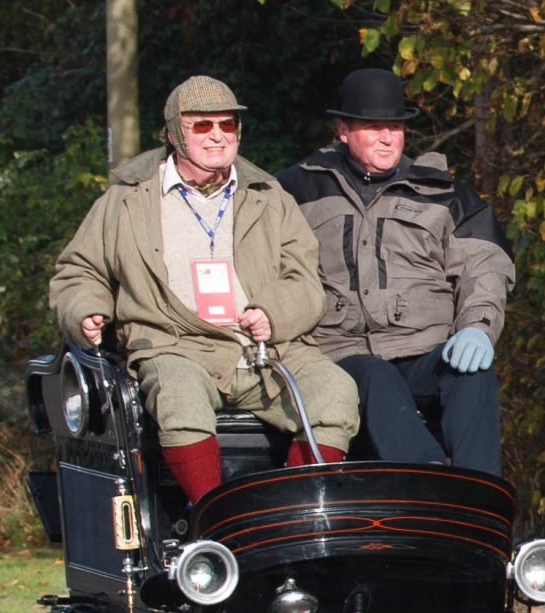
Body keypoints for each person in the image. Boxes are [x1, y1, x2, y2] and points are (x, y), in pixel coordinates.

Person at [49, 74, 360, 505]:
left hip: (265, 352)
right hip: (175, 344)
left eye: (227, 125)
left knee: (337, 392)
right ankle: (214, 520)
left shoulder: (269, 196)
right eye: (202, 125)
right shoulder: (126, 200)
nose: (218, 135)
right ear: (176, 132)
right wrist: (86, 308)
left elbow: (306, 279)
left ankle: (289, 519)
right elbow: (78, 270)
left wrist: (273, 312)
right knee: (179, 396)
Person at [276, 66, 515, 475]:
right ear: (343, 130)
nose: (388, 137)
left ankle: (480, 504)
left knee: (472, 375)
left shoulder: (445, 193)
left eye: (395, 126)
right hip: (340, 354)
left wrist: (478, 324)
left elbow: (484, 263)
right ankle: (431, 481)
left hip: (423, 349)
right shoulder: (294, 190)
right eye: (373, 127)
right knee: (374, 375)